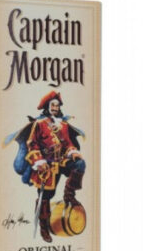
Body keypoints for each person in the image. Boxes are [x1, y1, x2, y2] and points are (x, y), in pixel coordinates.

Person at [5, 91, 85, 243]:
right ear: (47, 107)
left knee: (80, 164)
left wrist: (72, 152)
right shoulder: (40, 124)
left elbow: (68, 143)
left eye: (57, 105)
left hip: (61, 161)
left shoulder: (63, 125)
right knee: (46, 197)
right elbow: (32, 144)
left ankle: (69, 195)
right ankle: (44, 227)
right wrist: (39, 161)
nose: (55, 108)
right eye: (52, 105)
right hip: (46, 165)